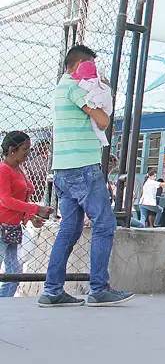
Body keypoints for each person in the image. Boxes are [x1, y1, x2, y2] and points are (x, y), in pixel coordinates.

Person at [41, 44, 132, 307]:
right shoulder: (74, 88)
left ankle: (52, 290)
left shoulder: (62, 88)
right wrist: (102, 88)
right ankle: (99, 288)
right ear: (79, 65)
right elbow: (103, 120)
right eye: (90, 65)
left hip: (63, 169)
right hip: (83, 167)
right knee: (104, 224)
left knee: (69, 230)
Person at [0, 132, 55, 298]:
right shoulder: (3, 170)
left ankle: (4, 302)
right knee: (12, 270)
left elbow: (20, 197)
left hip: (12, 226)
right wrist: (34, 209)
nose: (28, 153)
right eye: (25, 150)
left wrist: (31, 216)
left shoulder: (18, 169)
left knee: (14, 271)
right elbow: (6, 200)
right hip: (2, 225)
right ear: (12, 150)